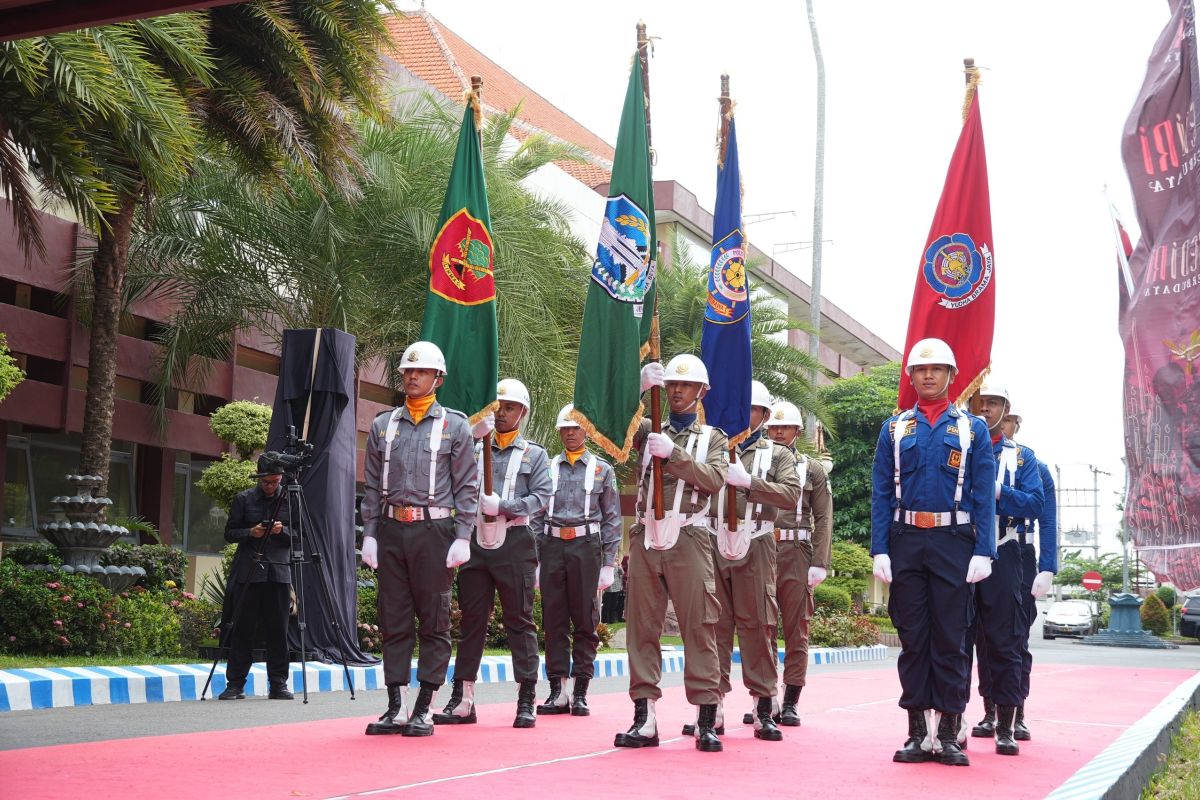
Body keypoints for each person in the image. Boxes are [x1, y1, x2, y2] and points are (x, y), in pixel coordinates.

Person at [871, 337, 996, 767]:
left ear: (951, 376)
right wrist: (879, 549)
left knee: (952, 638)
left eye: (937, 369)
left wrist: (985, 550)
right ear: (911, 377)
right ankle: (916, 732)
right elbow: (882, 492)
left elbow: (984, 495)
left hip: (954, 543)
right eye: (921, 370)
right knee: (913, 639)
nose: (928, 375)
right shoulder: (894, 429)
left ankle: (948, 733)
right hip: (906, 543)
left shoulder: (972, 429)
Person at [359, 341, 478, 737]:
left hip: (435, 532)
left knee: (434, 619)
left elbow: (467, 488)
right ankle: (396, 706)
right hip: (392, 530)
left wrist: (463, 535)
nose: (412, 376)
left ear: (437, 379)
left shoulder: (455, 426)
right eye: (408, 371)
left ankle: (424, 706)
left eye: (421, 371)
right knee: (393, 619)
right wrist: (370, 534)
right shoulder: (382, 425)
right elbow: (372, 487)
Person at [615, 353, 728, 753]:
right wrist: (638, 390)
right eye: (671, 385)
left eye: (685, 385)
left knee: (699, 626)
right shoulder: (647, 429)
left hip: (688, 536)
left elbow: (715, 479)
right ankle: (644, 717)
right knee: (641, 628)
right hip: (646, 536)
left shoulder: (712, 438)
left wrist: (674, 456)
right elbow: (611, 428)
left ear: (701, 392)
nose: (677, 391)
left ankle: (706, 717)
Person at [434, 378, 551, 729]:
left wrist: (505, 505)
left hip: (514, 540)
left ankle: (527, 695)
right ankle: (463, 697)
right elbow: (446, 473)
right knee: (471, 621)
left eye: (510, 407)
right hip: (473, 539)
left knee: (520, 621)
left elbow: (541, 497)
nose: (502, 414)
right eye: (498, 406)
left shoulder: (535, 454)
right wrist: (471, 436)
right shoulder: (472, 447)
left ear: (523, 412)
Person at [689, 380, 799, 742]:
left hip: (755, 539)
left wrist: (750, 482)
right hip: (711, 536)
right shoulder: (711, 446)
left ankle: (764, 705)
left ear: (764, 415)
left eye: (749, 408)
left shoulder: (778, 455)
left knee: (758, 624)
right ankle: (711, 704)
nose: (740, 413)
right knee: (713, 624)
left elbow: (791, 495)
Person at [967, 381, 1044, 757]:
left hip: (1005, 552)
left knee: (1007, 640)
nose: (985, 409)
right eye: (979, 402)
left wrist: (999, 493)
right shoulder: (958, 447)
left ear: (1006, 410)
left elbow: (1035, 504)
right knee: (962, 639)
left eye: (993, 403)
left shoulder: (1024, 459)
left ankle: (1008, 722)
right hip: (960, 553)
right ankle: (954, 722)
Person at [530, 403, 622, 717]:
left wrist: (609, 563)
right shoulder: (547, 468)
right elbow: (535, 516)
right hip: (553, 544)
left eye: (575, 428)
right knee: (554, 620)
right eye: (565, 429)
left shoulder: (602, 469)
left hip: (586, 545)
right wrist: (535, 559)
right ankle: (557, 691)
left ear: (586, 430)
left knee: (585, 619)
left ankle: (581, 691)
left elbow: (612, 518)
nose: (570, 433)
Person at [766, 399, 833, 726]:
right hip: (761, 547)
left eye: (785, 427)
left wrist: (819, 561)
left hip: (796, 552)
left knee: (796, 629)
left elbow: (824, 517)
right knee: (760, 627)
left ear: (797, 431)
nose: (778, 432)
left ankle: (790, 700)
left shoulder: (812, 469)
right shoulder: (756, 463)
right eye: (773, 427)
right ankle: (764, 697)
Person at [999, 405, 1057, 742]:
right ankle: (991, 709)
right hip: (985, 550)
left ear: (1016, 424)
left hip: (1021, 553)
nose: (1000, 424)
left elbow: (1047, 520)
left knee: (1015, 637)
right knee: (981, 635)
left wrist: (1048, 567)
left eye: (1007, 419)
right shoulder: (979, 458)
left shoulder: (1034, 466)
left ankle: (1016, 711)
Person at [219, 456, 294, 700]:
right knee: (242, 629)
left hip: (279, 572)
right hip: (249, 570)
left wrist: (282, 531)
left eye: (275, 481)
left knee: (278, 631)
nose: (271, 486)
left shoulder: (291, 499)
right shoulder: (244, 499)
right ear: (259, 478)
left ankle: (279, 684)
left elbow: (303, 536)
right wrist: (251, 532)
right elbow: (229, 533)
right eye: (267, 482)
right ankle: (235, 684)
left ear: (281, 478)